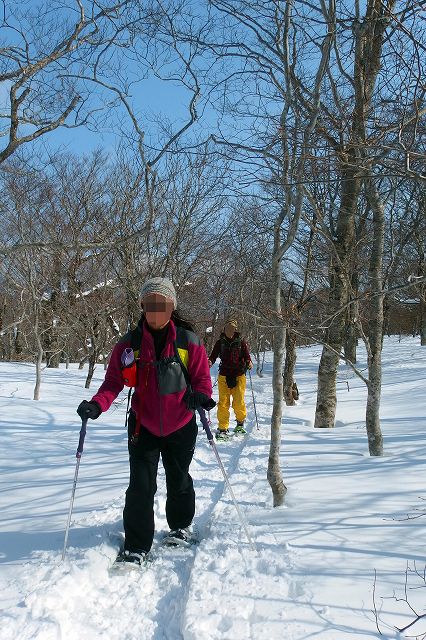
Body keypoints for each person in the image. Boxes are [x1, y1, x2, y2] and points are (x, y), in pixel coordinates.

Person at [77, 277, 214, 566]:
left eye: (162, 305)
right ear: (142, 306)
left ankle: (179, 526)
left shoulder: (188, 341)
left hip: (181, 424)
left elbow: (202, 378)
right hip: (143, 427)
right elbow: (114, 382)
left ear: (171, 306)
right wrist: (96, 405)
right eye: (150, 305)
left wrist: (200, 396)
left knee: (179, 480)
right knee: (140, 486)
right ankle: (137, 545)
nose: (155, 311)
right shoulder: (129, 346)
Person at [208, 318, 253, 440]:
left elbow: (247, 356)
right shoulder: (220, 342)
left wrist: (249, 362)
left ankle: (240, 424)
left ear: (235, 329)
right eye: (228, 327)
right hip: (224, 376)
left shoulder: (241, 342)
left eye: (232, 327)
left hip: (239, 375)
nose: (230, 329)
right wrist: (209, 362)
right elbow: (213, 356)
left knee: (238, 402)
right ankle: (222, 428)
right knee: (223, 403)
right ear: (224, 328)